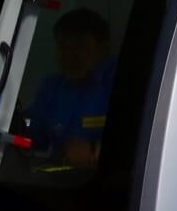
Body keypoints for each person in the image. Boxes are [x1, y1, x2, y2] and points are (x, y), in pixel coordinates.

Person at [24, 9, 116, 166]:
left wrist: (94, 151)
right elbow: (34, 134)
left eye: (79, 45)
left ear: (103, 48)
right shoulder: (51, 87)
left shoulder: (116, 83)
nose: (68, 55)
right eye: (62, 46)